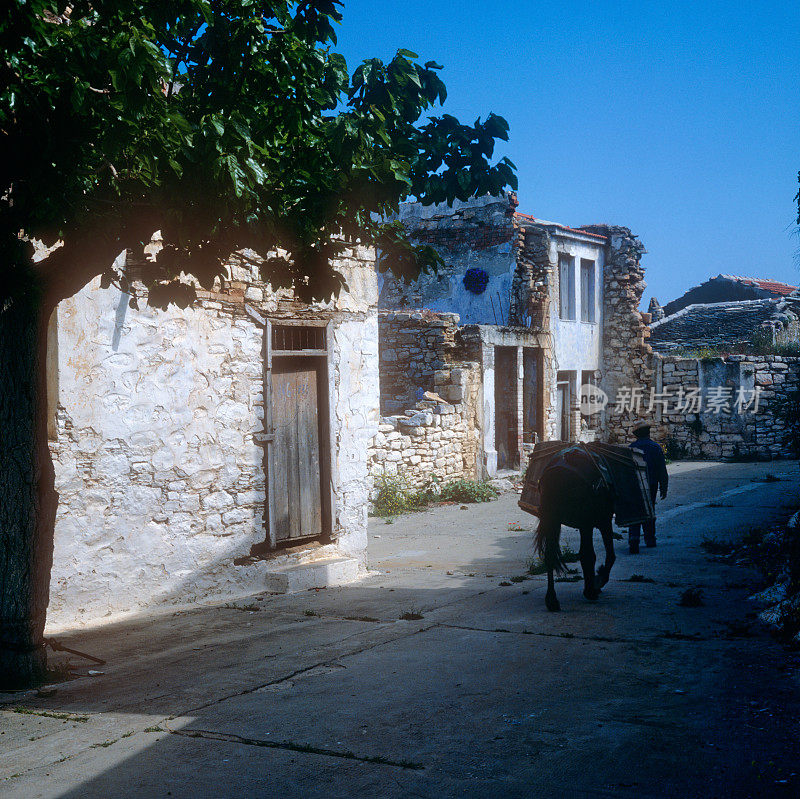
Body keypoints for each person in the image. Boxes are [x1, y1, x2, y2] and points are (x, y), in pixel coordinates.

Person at [628, 420, 668, 554]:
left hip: (634, 486)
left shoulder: (631, 449)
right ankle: (650, 539)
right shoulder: (656, 448)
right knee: (649, 509)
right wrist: (664, 487)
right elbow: (662, 470)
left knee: (634, 511)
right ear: (648, 433)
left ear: (636, 434)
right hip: (650, 485)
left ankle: (634, 539)